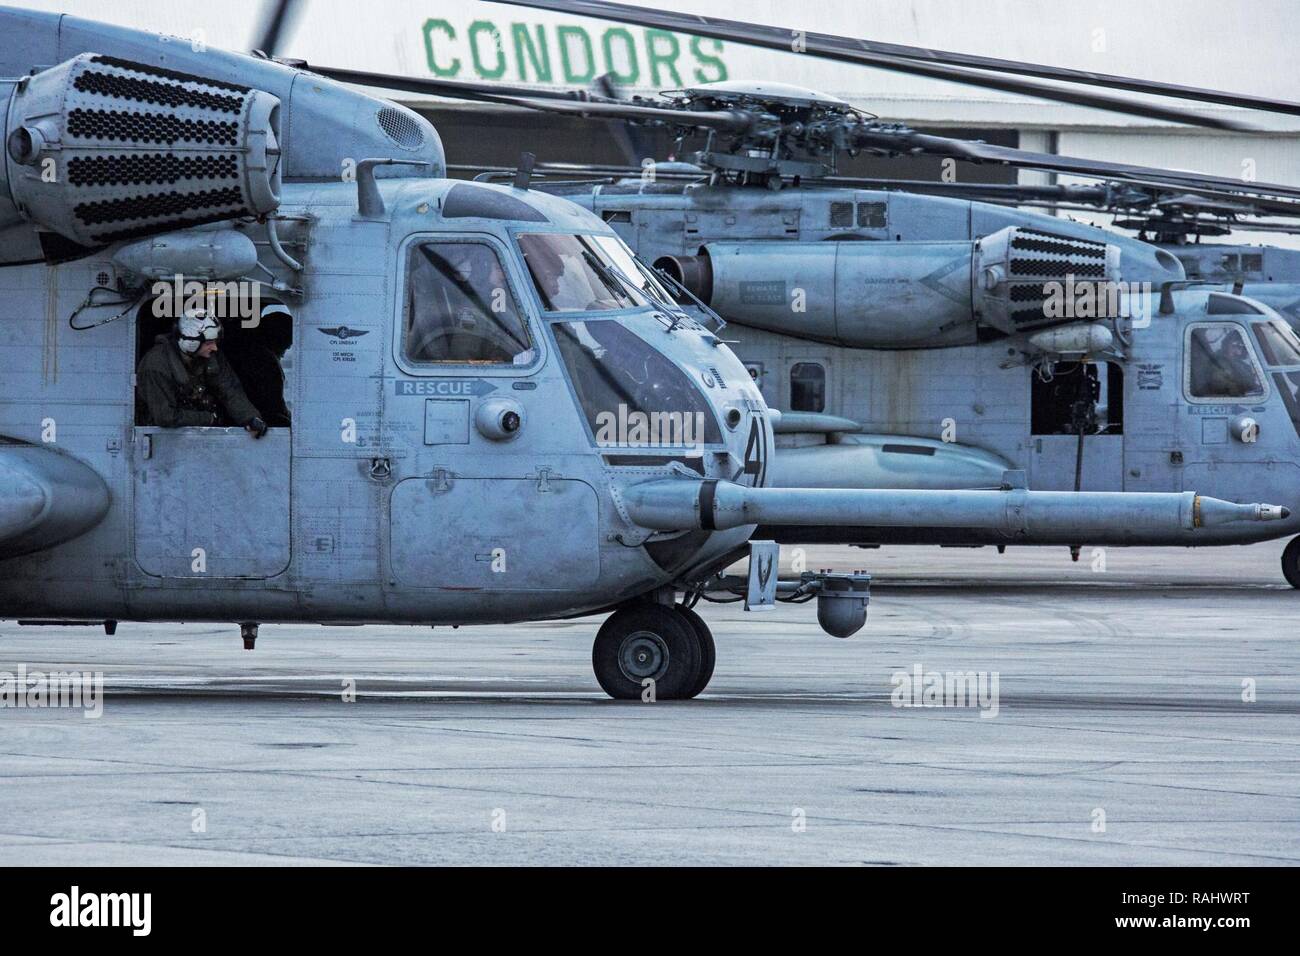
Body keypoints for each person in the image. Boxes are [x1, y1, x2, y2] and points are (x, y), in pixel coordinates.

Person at [136, 309, 267, 436]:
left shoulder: (209, 356)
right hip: (164, 438)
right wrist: (209, 418)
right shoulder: (156, 366)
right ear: (190, 342)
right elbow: (165, 416)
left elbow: (229, 388)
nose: (214, 347)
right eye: (209, 343)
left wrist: (250, 418)